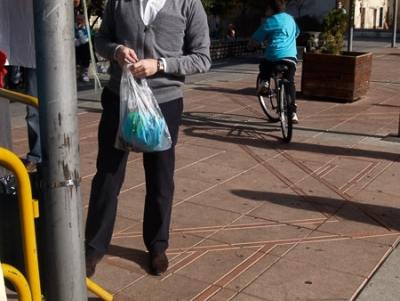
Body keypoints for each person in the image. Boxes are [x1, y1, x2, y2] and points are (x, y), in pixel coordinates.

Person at [84, 0, 211, 277]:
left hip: (164, 102)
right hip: (120, 98)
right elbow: (101, 39)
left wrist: (160, 64)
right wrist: (116, 51)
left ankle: (157, 246)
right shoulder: (119, 2)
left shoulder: (188, 4)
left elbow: (202, 58)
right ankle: (93, 248)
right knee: (107, 174)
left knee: (160, 177)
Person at [247, 0, 300, 124]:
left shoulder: (270, 21)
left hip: (274, 56)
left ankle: (265, 82)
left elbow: (255, 39)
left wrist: (249, 47)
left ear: (271, 9)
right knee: (290, 83)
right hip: (290, 58)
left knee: (264, 65)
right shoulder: (291, 20)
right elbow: (297, 33)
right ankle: (292, 113)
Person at [75, 13, 107, 82]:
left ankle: (86, 72)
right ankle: (96, 65)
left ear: (84, 21)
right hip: (77, 50)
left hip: (85, 51)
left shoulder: (87, 29)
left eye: (81, 20)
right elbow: (78, 43)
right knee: (86, 46)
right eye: (78, 20)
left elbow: (90, 39)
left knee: (87, 47)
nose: (79, 21)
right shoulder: (74, 29)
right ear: (75, 21)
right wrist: (80, 31)